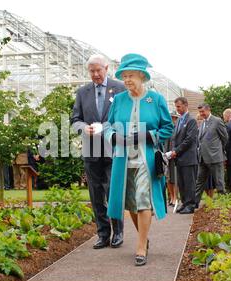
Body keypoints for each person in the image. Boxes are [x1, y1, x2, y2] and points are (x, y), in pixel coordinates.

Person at [104, 53, 174, 266]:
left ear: (142, 76)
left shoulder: (156, 99)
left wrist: (147, 135)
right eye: (124, 76)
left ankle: (141, 245)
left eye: (131, 75)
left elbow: (167, 127)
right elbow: (107, 125)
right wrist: (113, 136)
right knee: (130, 203)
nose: (126, 80)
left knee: (144, 199)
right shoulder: (118, 100)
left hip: (146, 159)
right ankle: (144, 237)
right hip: (123, 159)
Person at [71, 54, 126, 250]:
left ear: (106, 68)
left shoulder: (120, 88)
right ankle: (103, 234)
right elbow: (75, 119)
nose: (95, 74)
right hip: (91, 149)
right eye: (92, 71)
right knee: (95, 194)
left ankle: (118, 232)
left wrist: (107, 127)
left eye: (98, 70)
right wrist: (82, 128)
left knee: (113, 191)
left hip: (114, 149)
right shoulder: (82, 92)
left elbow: (125, 117)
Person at [193, 104, 228, 211]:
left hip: (215, 158)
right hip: (203, 158)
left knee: (219, 183)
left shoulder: (217, 121)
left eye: (203, 111)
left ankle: (224, 206)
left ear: (209, 110)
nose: (201, 114)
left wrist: (218, 150)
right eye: (200, 112)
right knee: (199, 182)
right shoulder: (203, 123)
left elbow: (225, 138)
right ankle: (194, 204)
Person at [169, 97, 199, 214]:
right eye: (176, 107)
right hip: (179, 158)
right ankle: (185, 203)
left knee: (189, 182)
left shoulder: (191, 121)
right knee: (181, 182)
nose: (177, 109)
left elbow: (189, 139)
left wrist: (176, 151)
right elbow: (174, 138)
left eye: (179, 106)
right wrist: (173, 151)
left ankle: (191, 205)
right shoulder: (179, 121)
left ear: (186, 105)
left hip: (188, 157)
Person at [165, 112, 179, 207]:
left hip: (174, 155)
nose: (172, 120)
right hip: (166, 155)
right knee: (168, 178)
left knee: (174, 178)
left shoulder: (177, 129)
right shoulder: (167, 129)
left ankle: (175, 198)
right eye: (171, 118)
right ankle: (171, 197)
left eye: (174, 118)